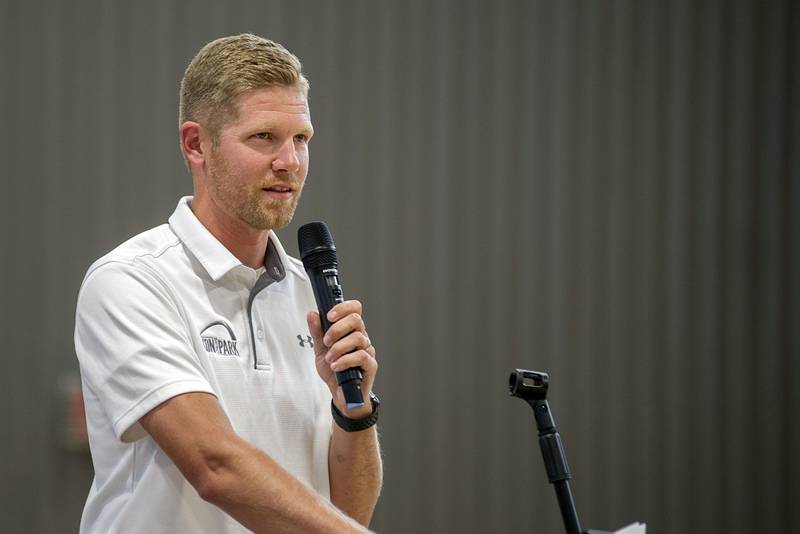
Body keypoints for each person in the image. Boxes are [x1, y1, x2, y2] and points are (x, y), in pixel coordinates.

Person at [74, 34, 382, 533]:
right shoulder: (133, 282)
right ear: (196, 144)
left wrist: (356, 412)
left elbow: (347, 514)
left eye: (300, 139)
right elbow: (214, 467)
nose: (290, 163)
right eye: (263, 138)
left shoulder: (309, 291)